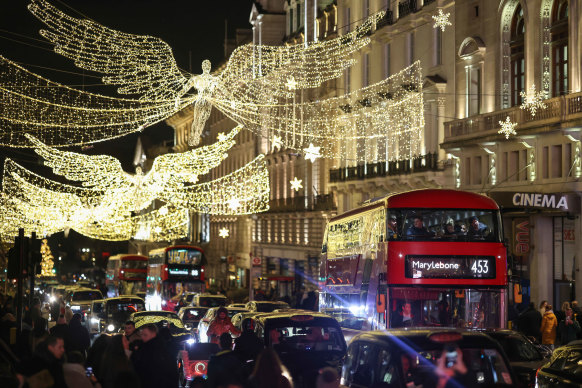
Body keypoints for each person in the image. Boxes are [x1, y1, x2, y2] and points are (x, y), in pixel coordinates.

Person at [130, 323, 178, 388]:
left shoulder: (154, 350)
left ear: (154, 334)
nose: (142, 337)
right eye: (141, 335)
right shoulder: (144, 348)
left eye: (145, 335)